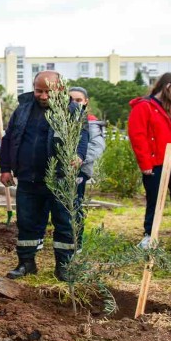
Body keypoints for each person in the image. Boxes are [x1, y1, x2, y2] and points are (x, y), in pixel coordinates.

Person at [0, 71, 88, 281]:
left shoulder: (73, 111)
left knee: (65, 222)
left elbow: (82, 136)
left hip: (61, 179)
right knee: (26, 222)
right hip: (28, 178)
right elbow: (9, 138)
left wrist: (78, 156)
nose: (43, 96)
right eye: (38, 91)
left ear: (60, 89)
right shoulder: (22, 109)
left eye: (48, 91)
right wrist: (5, 168)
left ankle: (64, 267)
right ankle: (26, 263)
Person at [127, 73, 171, 257]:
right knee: (154, 201)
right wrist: (145, 163)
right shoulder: (144, 106)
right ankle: (149, 235)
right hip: (156, 164)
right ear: (168, 86)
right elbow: (138, 136)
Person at [69, 86, 106, 245]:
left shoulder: (91, 123)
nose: (75, 103)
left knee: (75, 204)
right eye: (71, 100)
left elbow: (96, 146)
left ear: (85, 102)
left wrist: (79, 159)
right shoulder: (61, 119)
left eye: (78, 100)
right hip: (60, 170)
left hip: (79, 171)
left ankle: (76, 240)